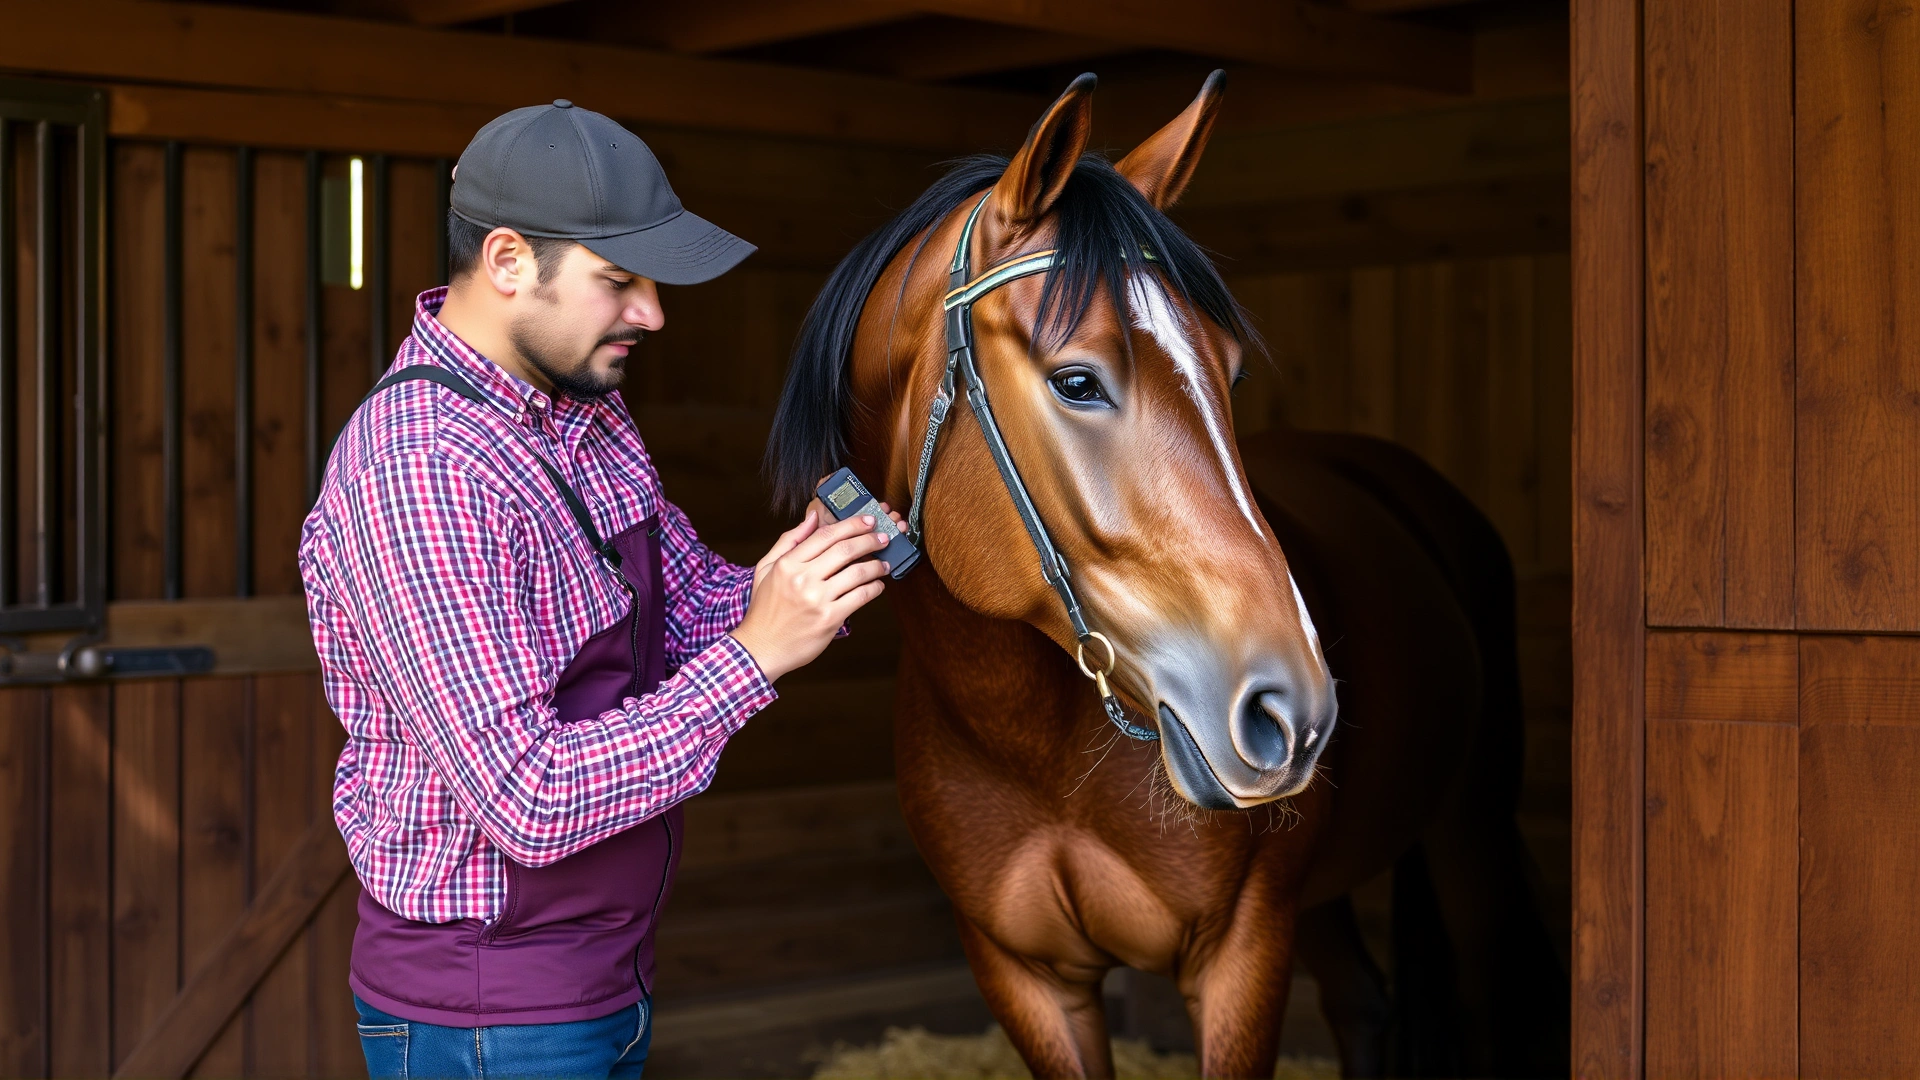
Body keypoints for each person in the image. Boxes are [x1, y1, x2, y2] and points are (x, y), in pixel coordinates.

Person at [298, 100, 896, 1077]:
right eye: (618, 281)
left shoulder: (582, 408)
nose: (652, 314)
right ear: (506, 263)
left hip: (601, 973)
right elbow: (528, 798)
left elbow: (693, 600)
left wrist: (805, 578)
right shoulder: (421, 471)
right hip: (489, 1005)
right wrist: (758, 655)